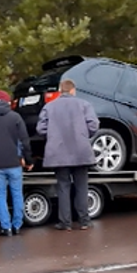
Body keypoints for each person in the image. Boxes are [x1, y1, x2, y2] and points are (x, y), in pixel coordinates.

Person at [36, 79, 99, 231]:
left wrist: (52, 136)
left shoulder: (49, 107)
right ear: (73, 90)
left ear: (60, 90)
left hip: (58, 153)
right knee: (81, 187)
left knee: (63, 187)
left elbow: (40, 129)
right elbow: (94, 125)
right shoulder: (84, 104)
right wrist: (84, 135)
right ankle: (84, 221)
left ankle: (65, 223)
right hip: (81, 152)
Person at [0, 89, 33, 236]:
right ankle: (17, 225)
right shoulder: (15, 117)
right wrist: (28, 160)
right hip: (14, 163)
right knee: (17, 194)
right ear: (7, 101)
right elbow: (24, 141)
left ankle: (6, 227)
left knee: (0, 195)